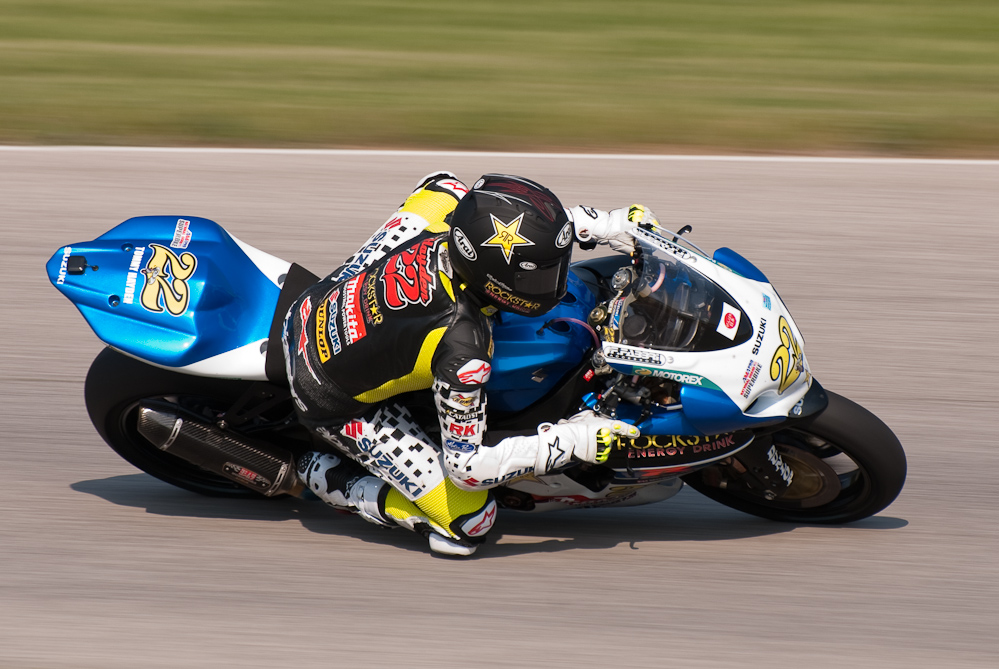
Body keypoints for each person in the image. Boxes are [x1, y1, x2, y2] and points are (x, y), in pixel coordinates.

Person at [283, 172, 658, 555]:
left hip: (316, 302)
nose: (556, 283)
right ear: (494, 279)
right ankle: (336, 482)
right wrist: (571, 442)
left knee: (446, 187)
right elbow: (468, 467)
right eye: (541, 276)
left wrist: (611, 224)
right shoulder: (464, 346)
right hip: (324, 391)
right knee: (469, 526)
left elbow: (510, 220)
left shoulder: (455, 223)